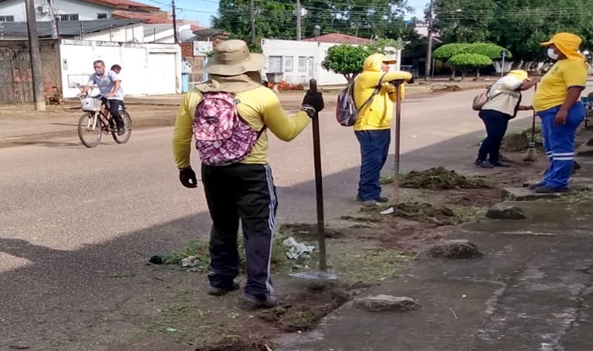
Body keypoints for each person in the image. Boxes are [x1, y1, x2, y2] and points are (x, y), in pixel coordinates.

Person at [172, 39, 322, 309]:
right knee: (258, 229)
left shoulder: (195, 95)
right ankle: (257, 291)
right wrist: (308, 111)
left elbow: (181, 136)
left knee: (222, 224)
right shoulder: (262, 95)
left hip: (213, 170)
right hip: (251, 171)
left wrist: (183, 166)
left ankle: (221, 279)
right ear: (247, 67)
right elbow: (287, 132)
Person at [350, 54, 413, 207]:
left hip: (382, 126)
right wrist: (408, 76)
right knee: (372, 161)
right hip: (368, 126)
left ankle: (367, 192)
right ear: (374, 63)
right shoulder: (366, 77)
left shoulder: (382, 82)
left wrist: (399, 85)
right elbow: (402, 74)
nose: (387, 66)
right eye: (385, 63)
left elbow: (397, 98)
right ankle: (368, 195)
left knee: (379, 160)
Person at [531, 32, 589, 194]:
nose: (551, 49)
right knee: (551, 148)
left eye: (553, 46)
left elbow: (575, 88)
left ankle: (558, 182)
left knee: (561, 148)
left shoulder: (574, 64)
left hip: (559, 110)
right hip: (549, 111)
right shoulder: (561, 63)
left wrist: (564, 110)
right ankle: (551, 178)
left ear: (563, 47)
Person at [475, 69, 536, 169]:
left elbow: (509, 104)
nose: (525, 82)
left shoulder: (510, 86)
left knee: (497, 137)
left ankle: (494, 159)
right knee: (493, 136)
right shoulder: (508, 80)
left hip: (501, 113)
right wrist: (535, 80)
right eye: (525, 80)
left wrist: (527, 107)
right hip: (493, 111)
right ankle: (481, 158)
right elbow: (523, 87)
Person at [79, 60, 125, 134]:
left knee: (113, 111)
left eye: (98, 67)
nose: (97, 69)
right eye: (95, 67)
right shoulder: (94, 75)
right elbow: (88, 85)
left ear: (103, 67)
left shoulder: (110, 73)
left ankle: (121, 126)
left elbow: (117, 82)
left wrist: (113, 92)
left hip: (115, 95)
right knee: (92, 106)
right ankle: (101, 122)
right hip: (103, 94)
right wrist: (82, 92)